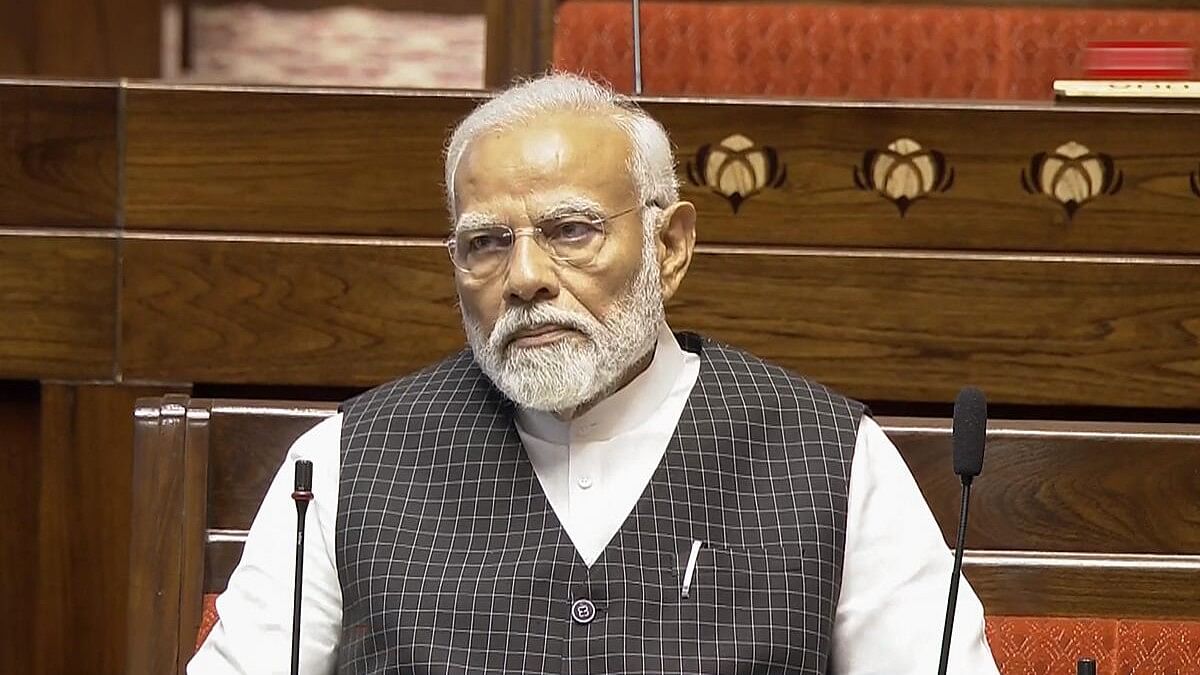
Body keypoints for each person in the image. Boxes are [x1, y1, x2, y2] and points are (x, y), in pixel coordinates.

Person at [190, 73, 1000, 674]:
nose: (525, 277)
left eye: (569, 230)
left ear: (670, 247)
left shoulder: (830, 457)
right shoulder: (342, 462)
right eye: (486, 243)